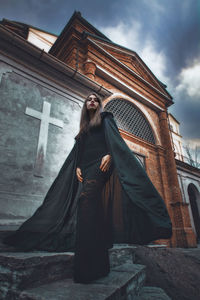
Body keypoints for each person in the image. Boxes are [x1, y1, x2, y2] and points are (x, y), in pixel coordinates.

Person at [4, 92, 172, 284]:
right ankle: (99, 262)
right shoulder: (84, 128)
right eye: (89, 99)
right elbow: (80, 151)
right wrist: (76, 166)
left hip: (101, 165)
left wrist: (110, 154)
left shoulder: (106, 118)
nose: (92, 101)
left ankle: (87, 267)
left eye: (95, 99)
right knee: (92, 207)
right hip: (85, 167)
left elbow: (115, 140)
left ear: (99, 104)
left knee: (85, 200)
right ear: (86, 105)